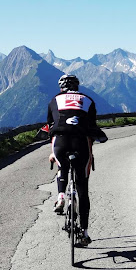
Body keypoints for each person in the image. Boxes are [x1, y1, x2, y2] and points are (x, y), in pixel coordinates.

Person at [46, 74, 105, 246]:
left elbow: (50, 128)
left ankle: (61, 196)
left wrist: (53, 153)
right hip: (81, 142)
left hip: (60, 142)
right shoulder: (88, 100)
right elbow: (92, 130)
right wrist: (90, 154)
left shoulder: (54, 100)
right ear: (77, 87)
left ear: (61, 88)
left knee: (61, 166)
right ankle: (85, 233)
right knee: (82, 187)